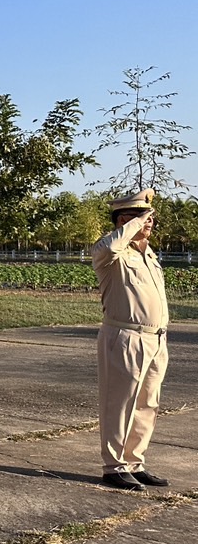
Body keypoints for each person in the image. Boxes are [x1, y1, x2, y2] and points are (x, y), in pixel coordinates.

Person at [93, 189, 170, 490]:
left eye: (149, 217)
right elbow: (110, 246)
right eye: (139, 216)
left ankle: (134, 462)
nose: (148, 221)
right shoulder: (110, 253)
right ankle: (114, 466)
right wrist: (136, 223)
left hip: (155, 339)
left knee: (147, 404)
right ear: (122, 221)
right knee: (120, 404)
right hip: (126, 336)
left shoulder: (147, 254)